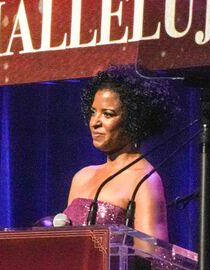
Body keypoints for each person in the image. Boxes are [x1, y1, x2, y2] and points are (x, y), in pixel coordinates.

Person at [64, 65, 174, 240]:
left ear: (134, 119)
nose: (94, 122)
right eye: (93, 112)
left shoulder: (145, 181)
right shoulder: (82, 177)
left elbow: (152, 259)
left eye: (107, 114)